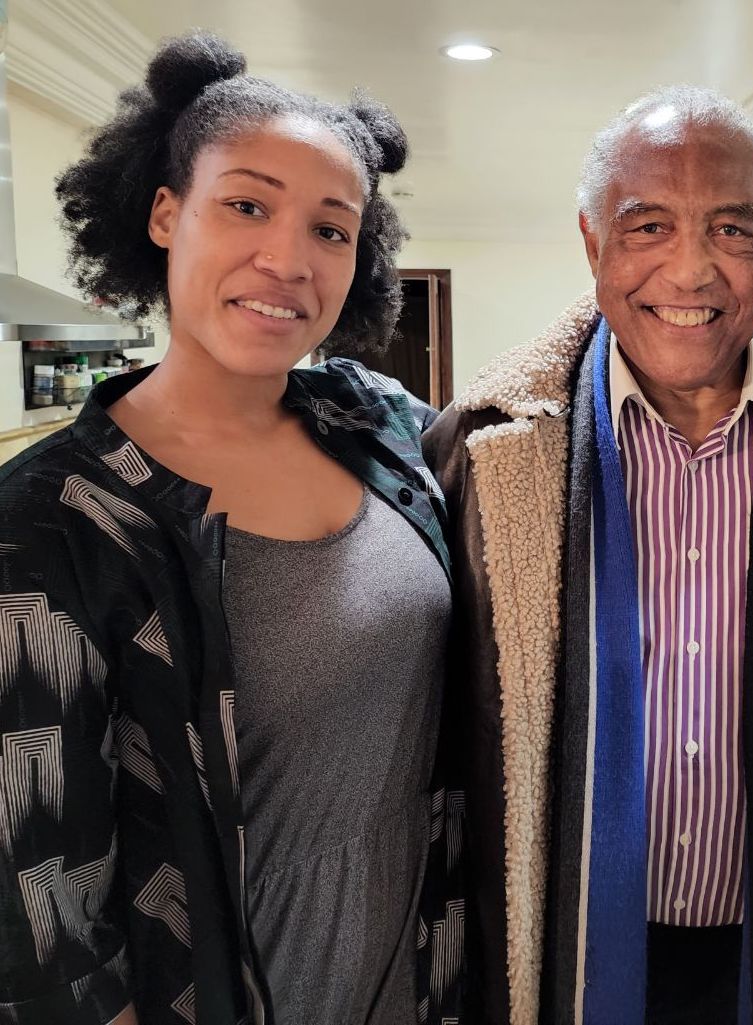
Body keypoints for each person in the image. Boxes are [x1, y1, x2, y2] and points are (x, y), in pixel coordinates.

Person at [425, 85, 753, 1025]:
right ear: (592, 243)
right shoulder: (486, 452)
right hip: (563, 941)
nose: (691, 271)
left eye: (731, 230)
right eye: (648, 225)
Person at [0, 33, 464, 1024]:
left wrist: (733, 353)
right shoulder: (49, 524)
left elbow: (531, 459)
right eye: (246, 204)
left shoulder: (382, 427)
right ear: (167, 213)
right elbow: (46, 920)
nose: (288, 258)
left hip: (421, 979)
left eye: (332, 230)